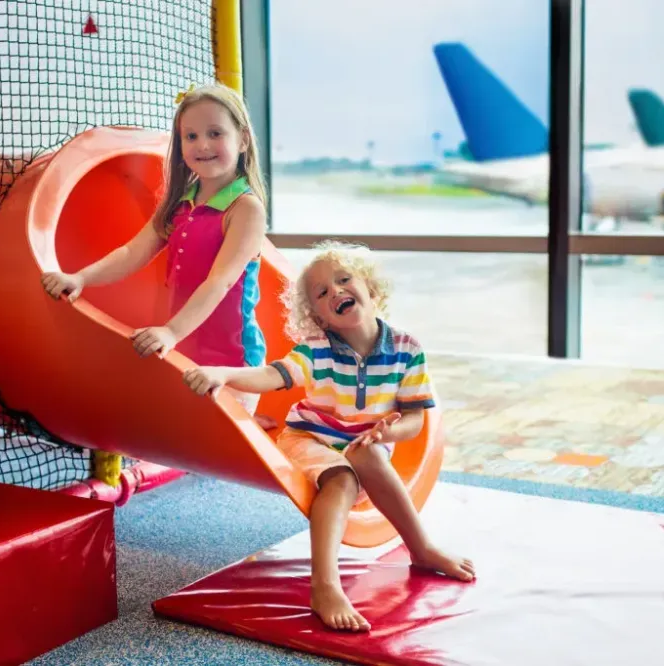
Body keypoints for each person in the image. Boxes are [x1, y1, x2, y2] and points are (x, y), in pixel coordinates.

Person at [182, 241, 475, 633]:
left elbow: (415, 420)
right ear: (319, 317)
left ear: (371, 289)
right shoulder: (318, 350)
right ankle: (325, 586)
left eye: (343, 280)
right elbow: (275, 375)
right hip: (310, 438)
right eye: (322, 293)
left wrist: (390, 429)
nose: (334, 291)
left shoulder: (407, 349)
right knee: (341, 480)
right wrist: (224, 374)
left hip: (364, 445)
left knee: (367, 456)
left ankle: (420, 547)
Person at [41, 83, 271, 419]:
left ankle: (254, 419)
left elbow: (219, 282)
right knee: (191, 440)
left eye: (215, 133)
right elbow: (132, 252)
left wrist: (170, 331)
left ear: (243, 140)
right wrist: (80, 278)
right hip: (186, 349)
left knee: (220, 450)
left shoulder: (245, 208)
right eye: (190, 136)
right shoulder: (182, 201)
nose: (202, 145)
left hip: (232, 360)